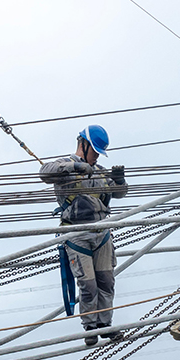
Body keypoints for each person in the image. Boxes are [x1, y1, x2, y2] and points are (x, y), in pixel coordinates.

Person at [40, 125, 128, 346]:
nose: (96, 155)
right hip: (77, 234)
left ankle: (106, 325)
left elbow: (119, 193)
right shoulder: (64, 166)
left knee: (106, 281)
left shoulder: (100, 171)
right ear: (83, 144)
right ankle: (90, 326)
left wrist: (119, 181)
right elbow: (44, 172)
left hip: (102, 233)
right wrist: (75, 167)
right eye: (94, 150)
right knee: (88, 285)